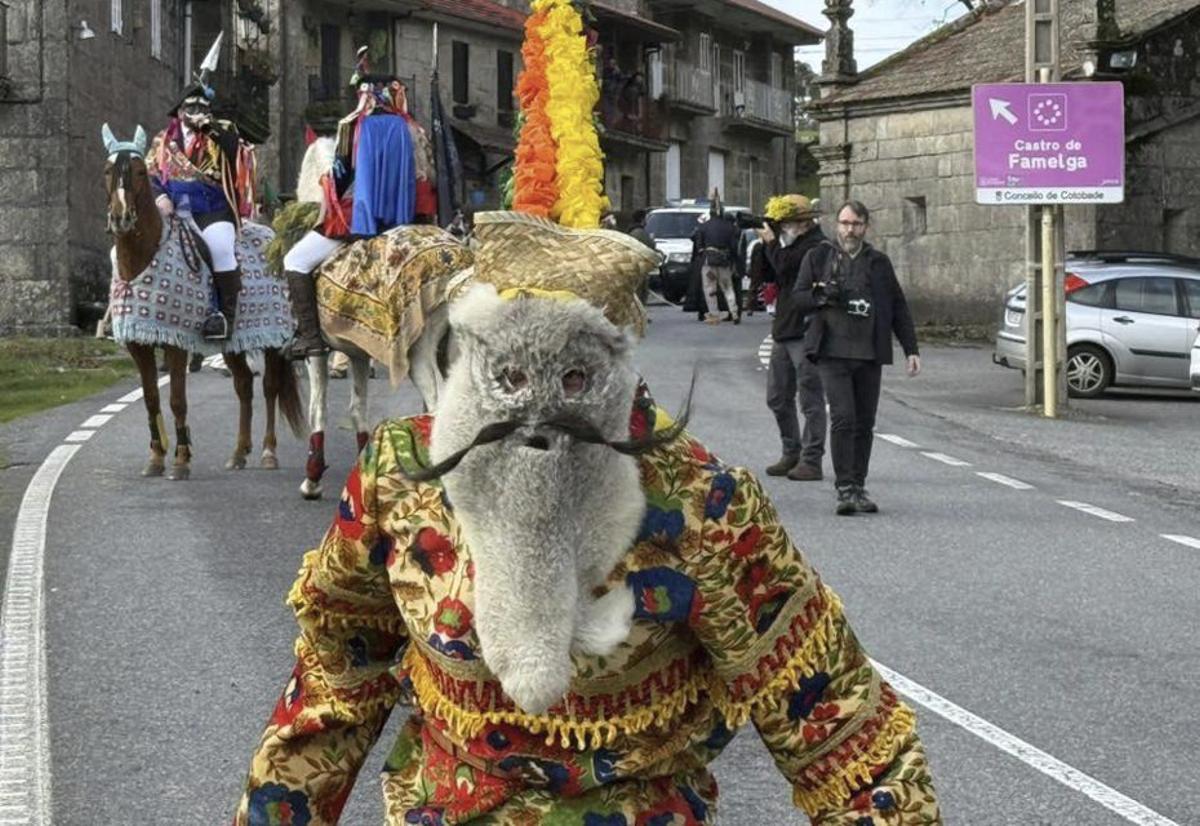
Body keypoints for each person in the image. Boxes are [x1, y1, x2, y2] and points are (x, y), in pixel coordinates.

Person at [233, 210, 940, 825]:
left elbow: (844, 737)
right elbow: (333, 685)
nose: (539, 415)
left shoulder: (703, 504)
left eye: (572, 381)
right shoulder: (402, 477)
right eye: (508, 376)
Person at [281, 48, 437, 360]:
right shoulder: (413, 129)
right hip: (411, 219)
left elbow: (340, 177)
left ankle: (311, 338)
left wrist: (326, 183)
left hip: (360, 221)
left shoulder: (353, 126)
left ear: (364, 96)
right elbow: (430, 176)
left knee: (294, 261)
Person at [794, 200, 920, 515]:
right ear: (837, 224)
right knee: (844, 418)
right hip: (831, 352)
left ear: (865, 227)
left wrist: (911, 349)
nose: (850, 230)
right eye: (845, 223)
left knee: (865, 423)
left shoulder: (878, 263)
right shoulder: (818, 256)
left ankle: (859, 486)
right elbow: (796, 298)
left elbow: (898, 306)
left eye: (856, 224)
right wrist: (821, 296)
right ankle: (845, 488)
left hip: (869, 353)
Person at [148, 61, 257, 341]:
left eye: (202, 108)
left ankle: (224, 317)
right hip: (173, 210)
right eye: (192, 108)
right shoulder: (163, 140)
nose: (198, 113)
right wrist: (160, 196)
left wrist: (210, 129)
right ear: (180, 112)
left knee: (221, 248)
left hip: (212, 210)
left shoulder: (222, 132)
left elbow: (235, 152)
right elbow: (150, 173)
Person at [759, 194, 828, 481]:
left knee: (810, 399)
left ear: (803, 223)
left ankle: (811, 459)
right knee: (777, 396)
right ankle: (791, 450)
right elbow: (770, 273)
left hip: (806, 332)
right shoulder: (791, 245)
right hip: (784, 330)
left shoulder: (817, 247)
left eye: (785, 223)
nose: (783, 228)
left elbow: (787, 268)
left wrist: (773, 243)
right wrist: (765, 245)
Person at [690, 192, 740, 324]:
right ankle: (734, 312)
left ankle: (714, 314)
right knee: (728, 288)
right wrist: (733, 261)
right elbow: (734, 247)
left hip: (709, 262)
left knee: (710, 289)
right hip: (724, 261)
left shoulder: (703, 227)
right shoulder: (730, 227)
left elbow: (699, 246)